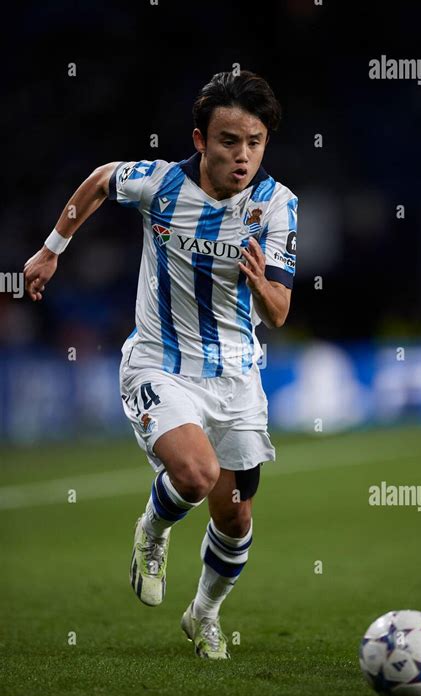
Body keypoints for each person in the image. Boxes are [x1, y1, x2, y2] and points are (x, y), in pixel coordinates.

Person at [23, 70, 298, 660]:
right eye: (228, 141)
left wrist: (258, 284)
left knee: (236, 517)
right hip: (159, 362)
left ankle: (204, 614)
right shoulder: (160, 185)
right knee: (195, 476)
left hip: (236, 379)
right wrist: (52, 249)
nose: (242, 155)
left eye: (254, 142)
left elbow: (278, 312)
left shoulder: (277, 207)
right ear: (200, 140)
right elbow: (100, 181)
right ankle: (153, 529)